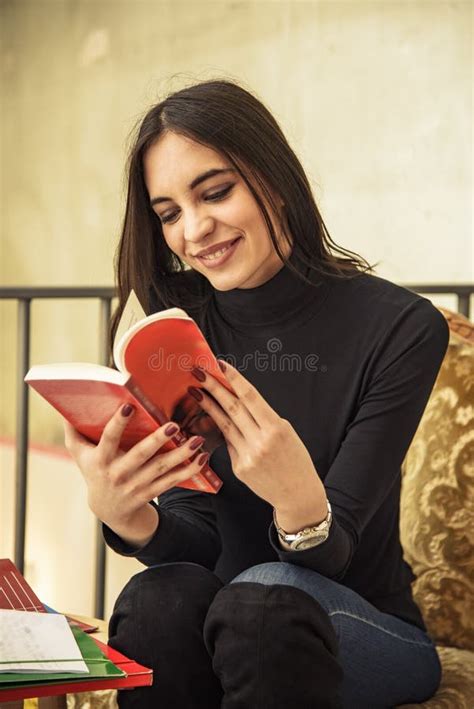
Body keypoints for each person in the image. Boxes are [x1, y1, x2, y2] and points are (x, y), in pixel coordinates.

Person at [64, 79, 449, 708]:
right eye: (168, 214)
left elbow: (333, 555)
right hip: (231, 618)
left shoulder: (401, 327)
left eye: (215, 192)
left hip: (361, 625)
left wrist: (297, 498)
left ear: (273, 177)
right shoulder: (175, 330)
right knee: (158, 598)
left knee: (266, 597)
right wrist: (130, 517)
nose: (194, 229)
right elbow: (204, 538)